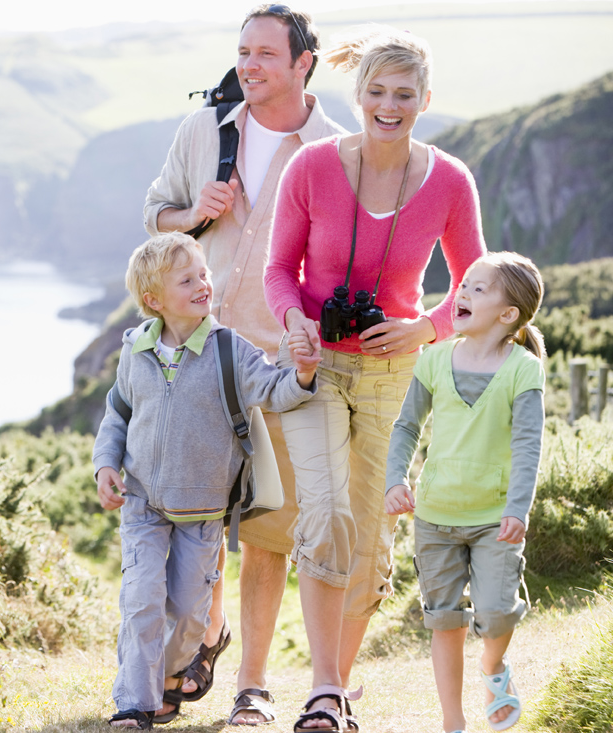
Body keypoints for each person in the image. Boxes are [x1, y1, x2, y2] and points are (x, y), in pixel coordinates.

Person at [262, 24, 486, 732]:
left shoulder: (450, 180)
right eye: (377, 92)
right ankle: (324, 690)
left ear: (425, 99)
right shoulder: (313, 168)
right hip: (317, 365)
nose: (389, 106)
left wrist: (424, 327)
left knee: (369, 535)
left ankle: (338, 683)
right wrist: (295, 322)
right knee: (325, 513)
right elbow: (279, 273)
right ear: (357, 94)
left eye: (404, 94)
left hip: (397, 374)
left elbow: (476, 286)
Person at [142, 5, 345, 724]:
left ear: (303, 64)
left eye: (264, 53)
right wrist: (193, 211)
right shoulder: (204, 131)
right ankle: (203, 635)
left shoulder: (334, 151)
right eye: (242, 51)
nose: (248, 65)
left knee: (265, 531)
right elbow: (155, 216)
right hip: (194, 356)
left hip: (276, 364)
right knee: (191, 519)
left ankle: (250, 689)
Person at [93, 231, 321, 729]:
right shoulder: (137, 349)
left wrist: (301, 374)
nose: (203, 283)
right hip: (143, 504)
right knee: (142, 600)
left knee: (190, 614)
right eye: (187, 279)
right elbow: (117, 413)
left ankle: (171, 678)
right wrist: (106, 464)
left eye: (204, 274)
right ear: (154, 300)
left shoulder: (228, 350)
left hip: (202, 512)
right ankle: (134, 703)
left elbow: (272, 387)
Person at [385, 252, 546, 733]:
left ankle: (494, 668)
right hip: (435, 516)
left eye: (479, 288)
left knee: (496, 616)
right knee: (444, 621)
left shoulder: (523, 370)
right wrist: (397, 478)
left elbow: (528, 445)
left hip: (497, 518)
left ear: (508, 314)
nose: (464, 294)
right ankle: (452, 721)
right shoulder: (433, 359)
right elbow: (406, 426)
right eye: (464, 285)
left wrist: (519, 508)